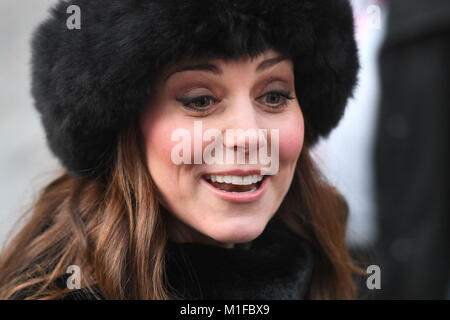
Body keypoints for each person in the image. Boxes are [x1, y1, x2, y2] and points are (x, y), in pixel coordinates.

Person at [0, 0, 360, 300]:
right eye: (200, 100)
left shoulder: (324, 262)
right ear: (125, 123)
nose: (249, 137)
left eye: (274, 95)